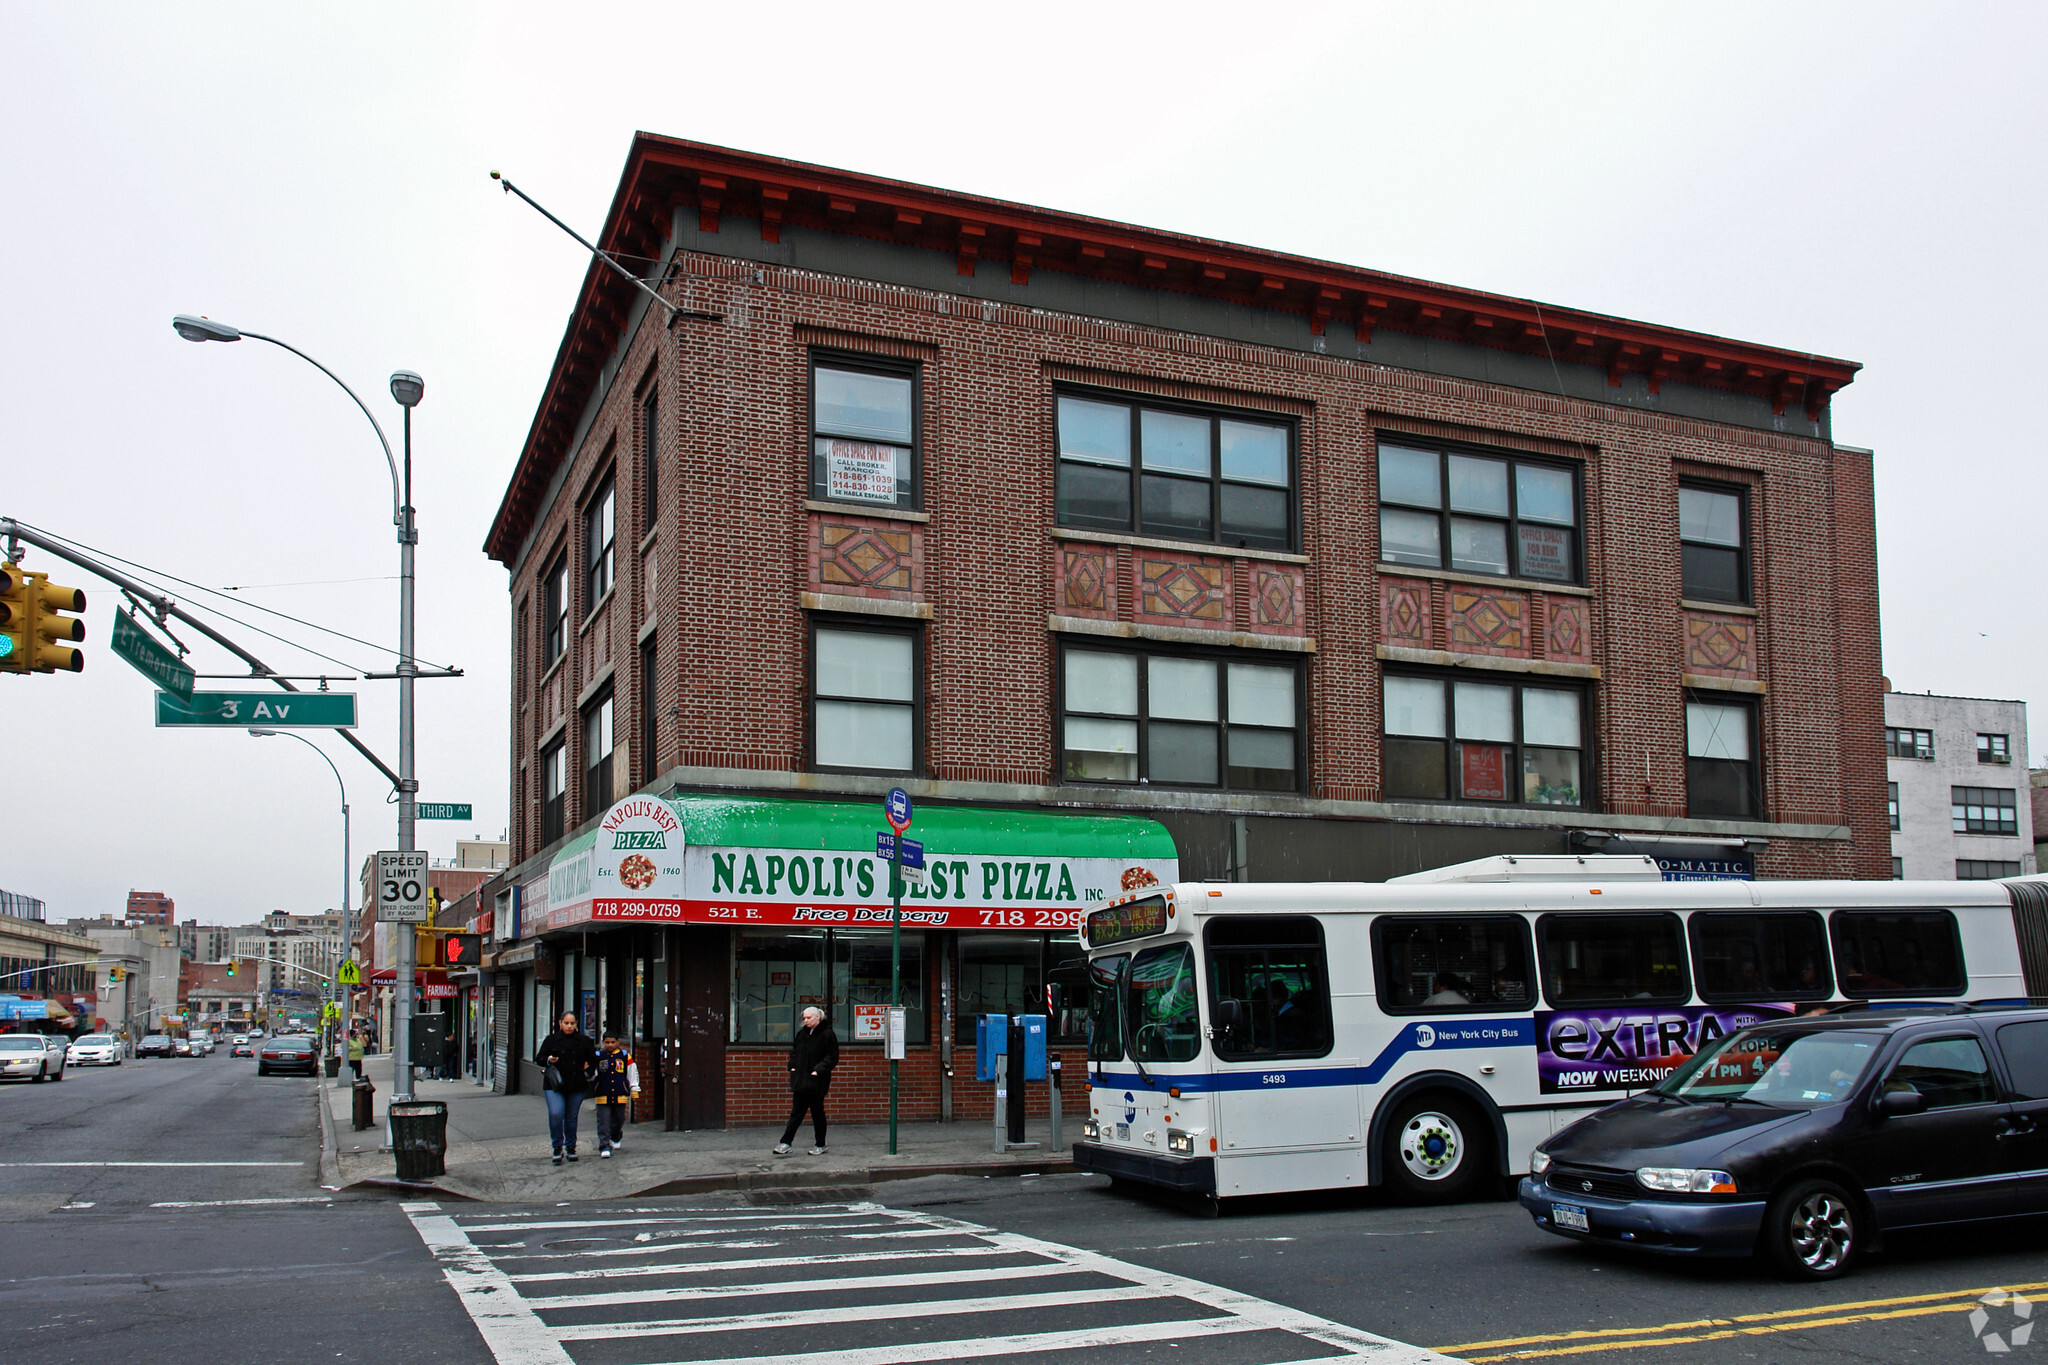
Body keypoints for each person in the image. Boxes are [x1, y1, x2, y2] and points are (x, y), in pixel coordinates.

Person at [535, 1011, 598, 1165]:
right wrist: (549, 1059)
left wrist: (587, 1073)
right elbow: (540, 1058)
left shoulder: (584, 1041)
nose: (569, 1026)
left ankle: (570, 1146)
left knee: (571, 1117)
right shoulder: (552, 1040)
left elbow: (594, 1060)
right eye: (566, 1023)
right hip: (555, 1084)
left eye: (572, 1023)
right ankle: (557, 1146)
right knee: (556, 1113)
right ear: (560, 1023)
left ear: (576, 1024)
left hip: (576, 1083)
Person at [775, 1006, 839, 1156]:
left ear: (818, 1017)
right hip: (801, 1079)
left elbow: (832, 1056)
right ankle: (785, 1142)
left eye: (809, 1018)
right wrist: (792, 1065)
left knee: (817, 1113)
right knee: (796, 1113)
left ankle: (820, 1144)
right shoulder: (802, 1034)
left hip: (817, 1081)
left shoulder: (827, 1034)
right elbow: (795, 1052)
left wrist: (819, 1070)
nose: (806, 1021)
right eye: (804, 1018)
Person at [591, 1030, 639, 1158]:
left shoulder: (624, 1056)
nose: (610, 1045)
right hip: (603, 1092)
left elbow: (632, 1073)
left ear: (618, 1042)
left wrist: (634, 1089)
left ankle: (616, 1136)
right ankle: (604, 1146)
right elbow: (593, 1072)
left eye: (613, 1042)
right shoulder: (597, 1055)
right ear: (603, 1042)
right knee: (603, 1121)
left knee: (619, 1119)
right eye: (607, 1042)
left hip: (619, 1092)